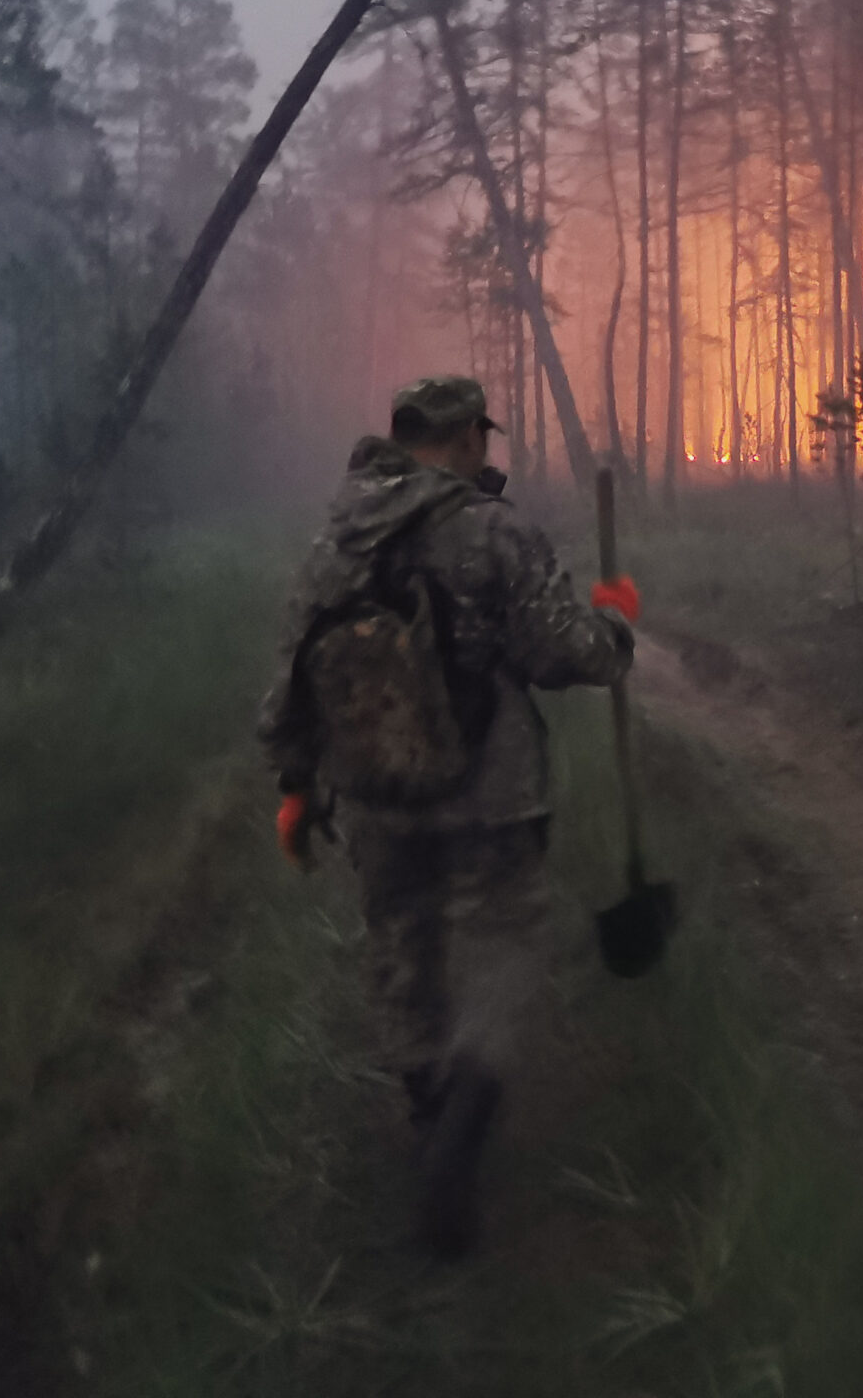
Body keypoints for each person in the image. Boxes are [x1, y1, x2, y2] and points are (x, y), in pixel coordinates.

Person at [257, 374, 639, 1256]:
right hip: (493, 794)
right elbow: (559, 653)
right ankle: (467, 1113)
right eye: (483, 438)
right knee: (501, 949)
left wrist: (296, 789)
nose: (487, 453)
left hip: (379, 799)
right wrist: (614, 628)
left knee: (403, 950)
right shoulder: (492, 531)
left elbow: (292, 680)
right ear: (467, 436)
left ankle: (430, 1118)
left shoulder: (333, 543)